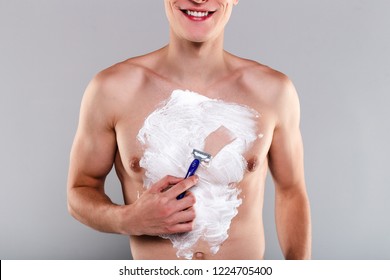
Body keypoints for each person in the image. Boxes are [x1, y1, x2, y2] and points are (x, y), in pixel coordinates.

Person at [67, 0, 311, 260]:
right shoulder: (113, 90)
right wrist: (126, 219)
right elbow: (80, 191)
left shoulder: (273, 91)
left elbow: (291, 192)